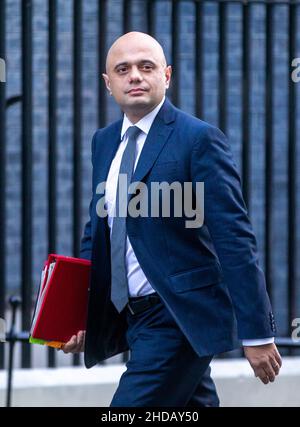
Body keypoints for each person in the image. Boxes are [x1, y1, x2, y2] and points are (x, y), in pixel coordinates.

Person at [60, 31, 282, 407]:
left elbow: (234, 238)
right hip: (133, 317)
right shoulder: (104, 141)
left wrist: (257, 332)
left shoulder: (198, 139)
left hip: (178, 317)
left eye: (146, 67)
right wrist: (80, 311)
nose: (135, 76)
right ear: (108, 82)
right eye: (123, 69)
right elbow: (98, 229)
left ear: (166, 75)